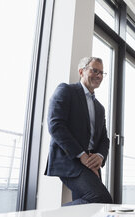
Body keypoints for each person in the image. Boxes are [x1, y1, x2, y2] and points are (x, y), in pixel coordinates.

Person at [44, 56, 113, 206]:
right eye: (95, 71)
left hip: (91, 163)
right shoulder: (66, 90)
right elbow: (55, 125)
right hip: (70, 160)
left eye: (102, 73)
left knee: (88, 211)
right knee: (101, 200)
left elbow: (104, 139)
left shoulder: (100, 108)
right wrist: (82, 155)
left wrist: (100, 157)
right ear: (81, 71)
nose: (99, 76)